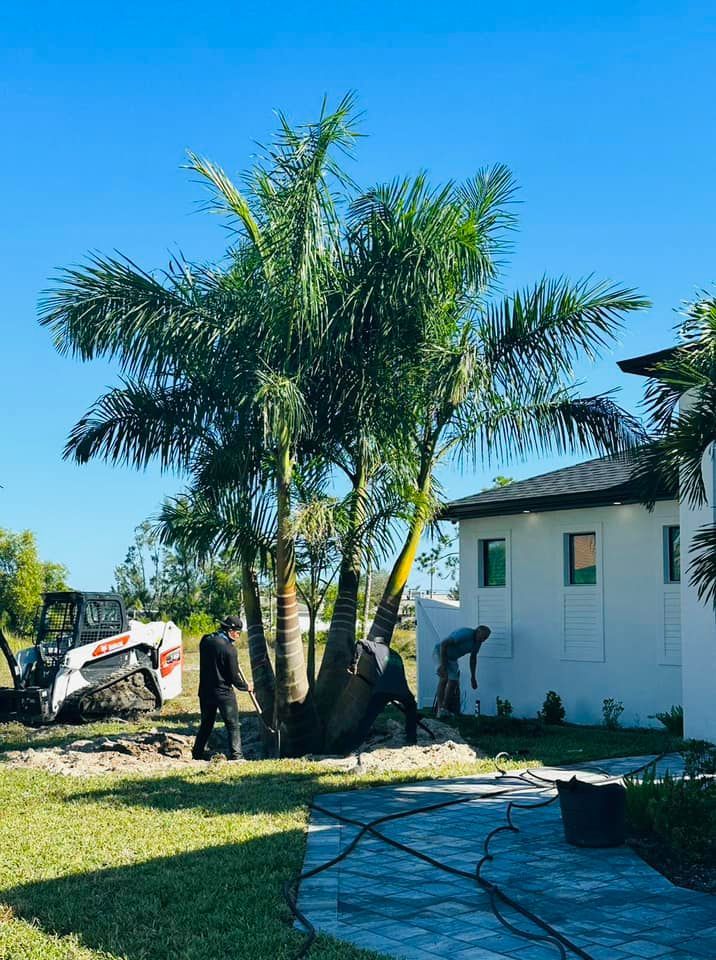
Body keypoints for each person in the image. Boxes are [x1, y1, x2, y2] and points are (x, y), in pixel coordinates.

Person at [192, 615, 254, 762]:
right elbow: (233, 677)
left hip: (205, 691)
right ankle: (237, 756)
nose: (238, 636)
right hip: (223, 692)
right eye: (238, 633)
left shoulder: (205, 641)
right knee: (233, 725)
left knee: (206, 723)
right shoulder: (229, 650)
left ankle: (197, 752)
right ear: (230, 631)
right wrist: (246, 686)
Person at [345, 637, 418, 751]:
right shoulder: (396, 654)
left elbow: (360, 642)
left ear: (376, 642)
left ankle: (353, 746)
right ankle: (411, 739)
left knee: (368, 718)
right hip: (402, 690)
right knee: (411, 706)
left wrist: (353, 664)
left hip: (382, 690)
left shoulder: (376, 647)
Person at [433, 625, 490, 718]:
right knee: (444, 678)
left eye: (486, 638)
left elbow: (473, 659)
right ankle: (439, 710)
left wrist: (473, 677)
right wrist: (443, 665)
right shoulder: (465, 634)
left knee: (453, 682)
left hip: (452, 658)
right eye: (483, 637)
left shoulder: (478, 643)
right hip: (440, 652)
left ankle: (445, 708)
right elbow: (443, 644)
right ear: (478, 631)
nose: (484, 640)